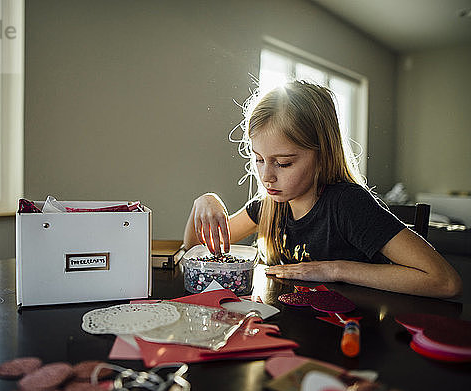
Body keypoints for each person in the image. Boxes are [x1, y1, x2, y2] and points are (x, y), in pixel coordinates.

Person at [183, 81, 461, 299]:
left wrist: (334, 269)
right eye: (258, 159)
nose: (267, 176)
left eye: (283, 163)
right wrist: (204, 203)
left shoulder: (348, 204)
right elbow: (193, 251)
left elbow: (445, 281)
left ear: (322, 154)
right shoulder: (268, 204)